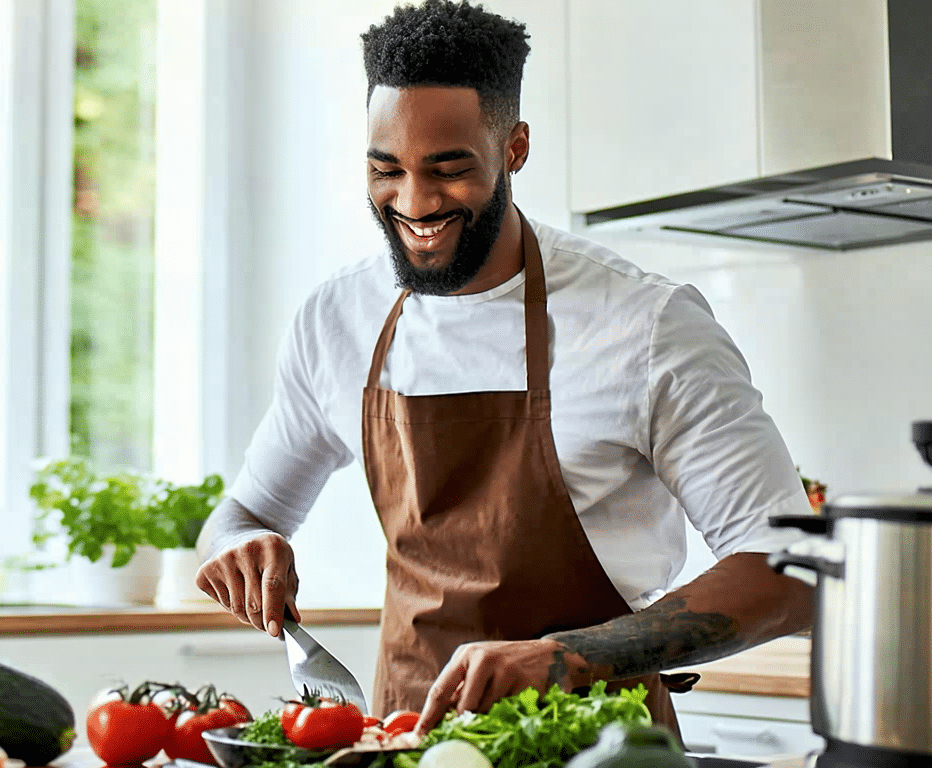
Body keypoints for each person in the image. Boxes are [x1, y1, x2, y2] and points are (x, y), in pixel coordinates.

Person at [194, 0, 814, 737]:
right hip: (407, 740)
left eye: (449, 170)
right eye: (386, 169)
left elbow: (790, 570)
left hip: (598, 743)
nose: (415, 203)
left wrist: (569, 658)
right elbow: (241, 516)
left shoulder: (647, 324)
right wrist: (239, 547)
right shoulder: (337, 320)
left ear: (514, 148)